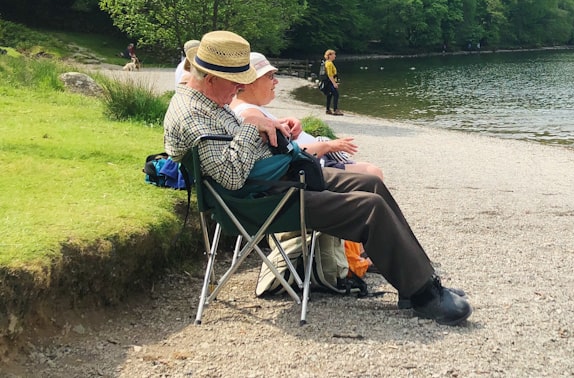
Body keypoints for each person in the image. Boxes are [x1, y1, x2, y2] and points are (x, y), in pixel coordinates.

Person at [163, 31, 471, 325]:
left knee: (371, 184)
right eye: (235, 84)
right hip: (261, 202)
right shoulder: (193, 115)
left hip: (272, 184)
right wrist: (251, 124)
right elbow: (231, 176)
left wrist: (270, 127)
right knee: (370, 207)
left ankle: (419, 279)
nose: (237, 91)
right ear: (213, 78)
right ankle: (425, 296)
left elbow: (232, 155)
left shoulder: (203, 100)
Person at [231, 52, 383, 179]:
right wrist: (328, 146)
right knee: (373, 173)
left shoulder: (246, 109)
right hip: (308, 167)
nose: (276, 81)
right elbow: (282, 156)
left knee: (370, 171)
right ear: (249, 82)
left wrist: (283, 122)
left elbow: (274, 142)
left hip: (310, 163)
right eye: (270, 76)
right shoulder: (249, 114)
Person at [322, 49, 342, 116]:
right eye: (334, 54)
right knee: (336, 94)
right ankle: (335, 110)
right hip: (330, 82)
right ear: (330, 55)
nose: (335, 56)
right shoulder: (329, 63)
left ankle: (328, 109)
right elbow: (330, 75)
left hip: (328, 82)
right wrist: (334, 83)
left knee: (329, 95)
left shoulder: (326, 62)